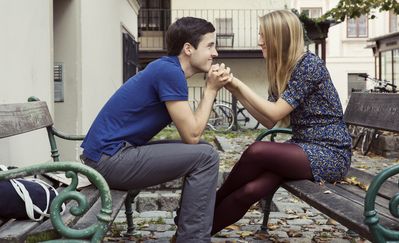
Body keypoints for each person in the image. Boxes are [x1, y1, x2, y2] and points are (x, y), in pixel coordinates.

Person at [80, 17, 232, 242]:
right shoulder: (169, 72)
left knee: (203, 150)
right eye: (210, 45)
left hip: (111, 156)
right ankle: (192, 238)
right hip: (109, 160)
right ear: (188, 48)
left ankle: (188, 232)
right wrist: (210, 89)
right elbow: (191, 134)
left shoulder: (167, 69)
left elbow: (192, 132)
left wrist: (211, 88)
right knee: (206, 156)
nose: (215, 53)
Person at [211, 10, 352, 235]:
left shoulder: (308, 65)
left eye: (263, 35)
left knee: (257, 151)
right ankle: (191, 235)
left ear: (280, 37)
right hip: (302, 149)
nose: (259, 41)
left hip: (330, 153)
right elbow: (267, 120)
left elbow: (275, 113)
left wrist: (238, 84)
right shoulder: (282, 71)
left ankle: (206, 206)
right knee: (250, 191)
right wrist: (234, 90)